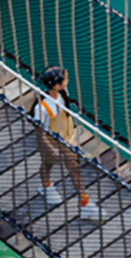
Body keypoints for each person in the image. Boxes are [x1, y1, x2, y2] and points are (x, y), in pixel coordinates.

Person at [33, 66, 98, 221]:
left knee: (73, 168)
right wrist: (49, 149)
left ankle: (84, 201)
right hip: (51, 141)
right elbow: (39, 133)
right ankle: (46, 185)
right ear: (56, 85)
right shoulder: (42, 108)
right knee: (47, 164)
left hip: (67, 138)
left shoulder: (63, 95)